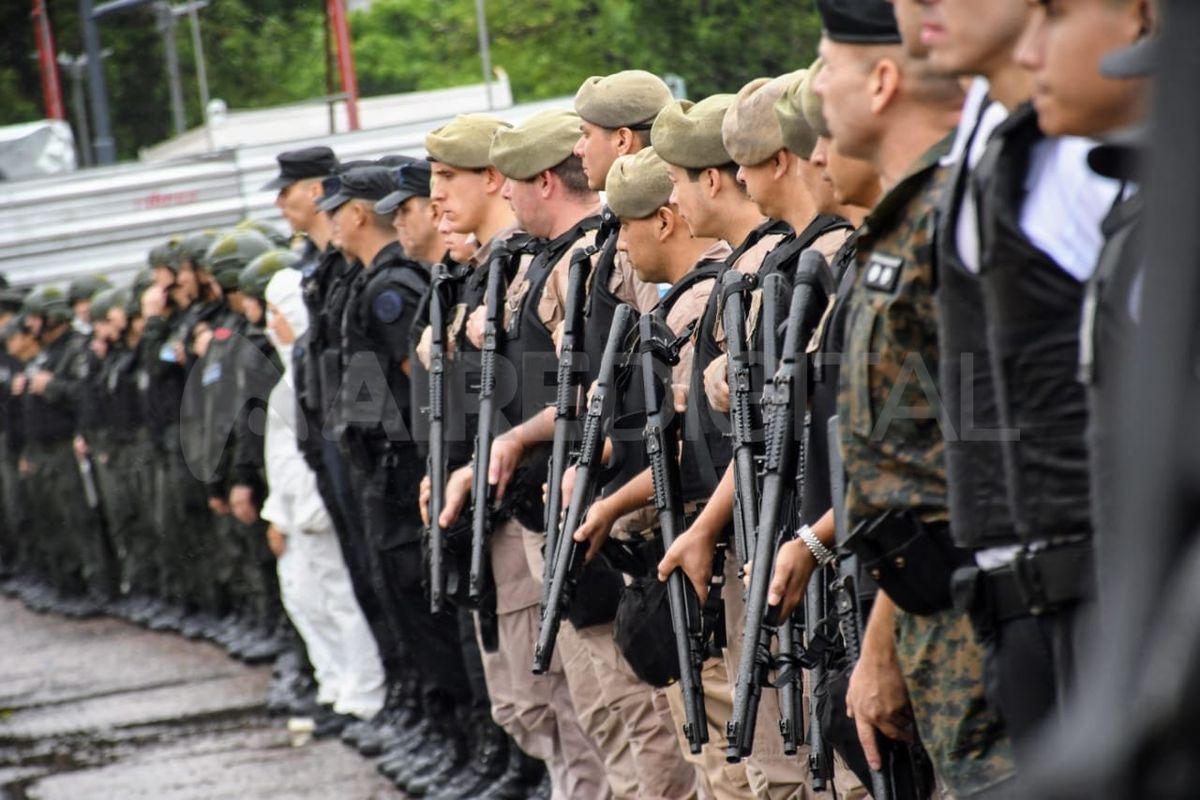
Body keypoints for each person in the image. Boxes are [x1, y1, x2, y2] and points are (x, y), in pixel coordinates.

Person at [789, 1, 1015, 796]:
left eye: (831, 67)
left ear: (882, 81)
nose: (818, 94)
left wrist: (881, 638)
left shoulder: (955, 213)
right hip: (933, 615)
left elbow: (971, 452)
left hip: (981, 624)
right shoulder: (908, 217)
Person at [424, 112, 599, 800]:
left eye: (447, 176)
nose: (435, 195)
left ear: (498, 179)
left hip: (546, 499)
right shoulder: (488, 272)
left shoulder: (542, 265)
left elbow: (568, 396)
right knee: (533, 705)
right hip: (506, 499)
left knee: (570, 704)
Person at [323, 165, 474, 793]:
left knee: (433, 603)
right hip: (388, 464)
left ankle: (471, 738)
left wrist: (425, 462)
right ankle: (451, 732)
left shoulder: (391, 285)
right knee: (405, 598)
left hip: (409, 464)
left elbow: (422, 383)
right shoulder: (367, 281)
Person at [246, 254, 389, 731]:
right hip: (292, 513)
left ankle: (363, 692)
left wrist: (304, 512)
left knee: (340, 601)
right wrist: (277, 515)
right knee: (306, 599)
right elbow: (279, 460)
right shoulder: (287, 378)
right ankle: (335, 685)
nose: (271, 325)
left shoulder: (306, 378)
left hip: (314, 511)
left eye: (277, 313)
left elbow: (314, 453)